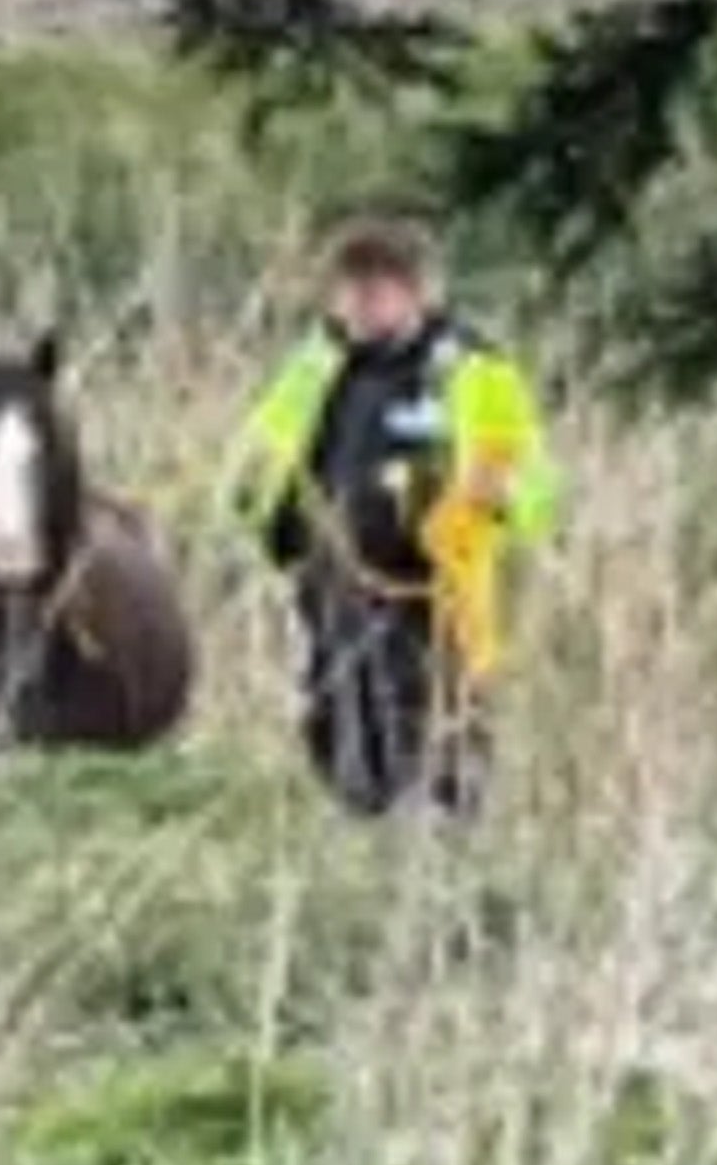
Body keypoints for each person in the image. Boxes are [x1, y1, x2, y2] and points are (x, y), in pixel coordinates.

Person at [226, 211, 559, 817]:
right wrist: (260, 512)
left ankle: (443, 850)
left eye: (378, 284)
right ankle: (360, 842)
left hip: (432, 593)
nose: (361, 299)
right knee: (333, 725)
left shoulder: (473, 370)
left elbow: (534, 490)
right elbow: (257, 462)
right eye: (350, 284)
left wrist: (483, 495)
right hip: (329, 585)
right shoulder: (316, 365)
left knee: (434, 732)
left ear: (415, 291)